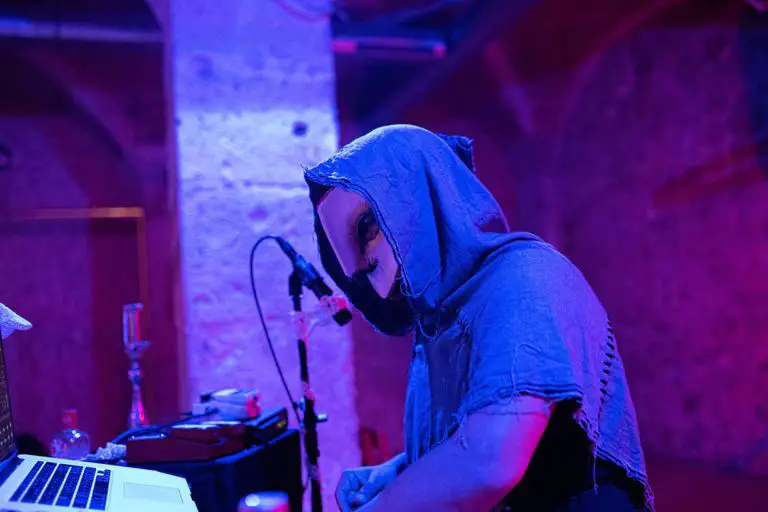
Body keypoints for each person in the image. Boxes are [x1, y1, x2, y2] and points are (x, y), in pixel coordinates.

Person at [304, 125, 653, 512]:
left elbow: (489, 462)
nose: (366, 266)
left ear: (421, 196)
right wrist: (396, 473)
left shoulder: (524, 278)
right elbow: (471, 432)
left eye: (367, 227)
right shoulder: (443, 317)